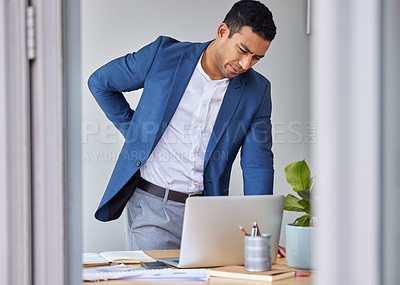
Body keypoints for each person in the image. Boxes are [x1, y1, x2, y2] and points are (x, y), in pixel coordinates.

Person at [88, 0, 277, 251]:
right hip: (152, 209)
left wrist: (259, 231)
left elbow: (257, 163)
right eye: (242, 50)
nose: (245, 64)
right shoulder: (163, 56)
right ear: (222, 32)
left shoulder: (257, 90)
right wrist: (136, 133)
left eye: (256, 58)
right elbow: (101, 82)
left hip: (209, 216)